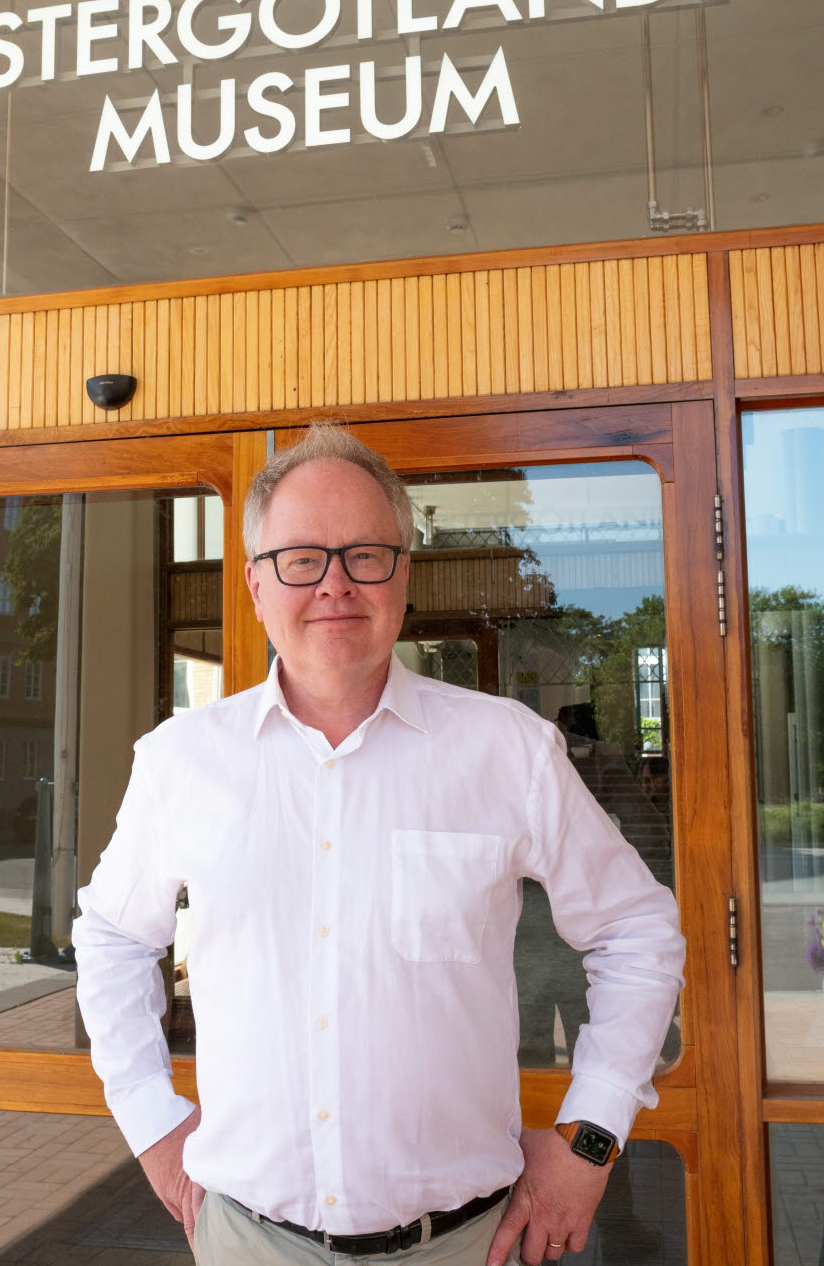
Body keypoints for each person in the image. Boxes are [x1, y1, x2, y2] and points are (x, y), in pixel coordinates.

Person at [73, 423, 685, 1266]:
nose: (335, 584)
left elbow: (638, 931)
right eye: (300, 558)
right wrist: (151, 1124)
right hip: (248, 1242)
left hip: (466, 1244)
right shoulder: (182, 761)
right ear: (255, 584)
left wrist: (590, 1143)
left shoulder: (507, 751)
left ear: (403, 575)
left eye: (366, 554)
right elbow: (110, 937)